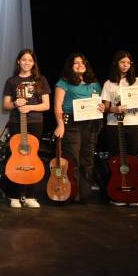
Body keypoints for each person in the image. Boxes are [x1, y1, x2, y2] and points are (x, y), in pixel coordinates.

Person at [101, 50, 138, 206]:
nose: (125, 66)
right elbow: (105, 107)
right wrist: (114, 110)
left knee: (131, 160)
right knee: (115, 159)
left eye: (128, 63)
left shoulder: (136, 81)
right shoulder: (109, 83)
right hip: (113, 125)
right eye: (122, 62)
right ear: (116, 64)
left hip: (132, 124)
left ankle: (131, 190)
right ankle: (116, 192)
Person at [2, 49, 51, 209]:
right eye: (23, 60)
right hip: (17, 122)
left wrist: (29, 107)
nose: (26, 62)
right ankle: (14, 195)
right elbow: (6, 104)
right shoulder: (12, 81)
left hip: (35, 122)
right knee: (15, 156)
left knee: (32, 157)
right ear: (18, 61)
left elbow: (46, 105)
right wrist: (16, 104)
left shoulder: (40, 80)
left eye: (30, 60)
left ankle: (30, 195)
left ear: (33, 62)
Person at [53, 53, 105, 204]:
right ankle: (71, 191)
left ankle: (84, 193)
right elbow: (57, 106)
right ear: (70, 66)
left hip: (91, 123)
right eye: (76, 63)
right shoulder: (64, 82)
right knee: (72, 159)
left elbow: (99, 103)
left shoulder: (94, 83)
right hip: (72, 123)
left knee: (87, 159)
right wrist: (60, 124)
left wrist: (101, 106)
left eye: (82, 62)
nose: (80, 65)